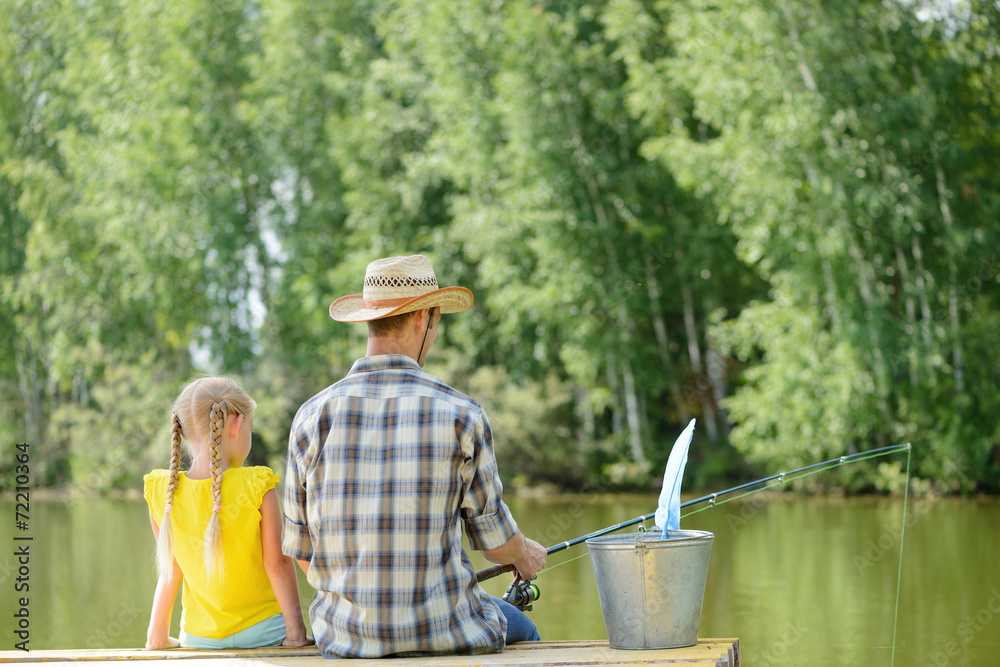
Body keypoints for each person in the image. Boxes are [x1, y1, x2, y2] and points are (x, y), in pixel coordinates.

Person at [282, 254, 546, 658]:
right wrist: (525, 554)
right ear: (423, 318)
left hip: (346, 641)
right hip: (448, 633)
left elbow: (302, 550)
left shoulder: (310, 417)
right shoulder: (462, 414)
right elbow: (496, 546)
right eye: (437, 320)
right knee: (524, 628)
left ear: (370, 320)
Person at [143, 376, 313, 650]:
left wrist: (157, 638)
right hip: (264, 632)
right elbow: (278, 565)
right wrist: (296, 635)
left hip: (199, 638)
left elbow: (170, 572)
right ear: (235, 424)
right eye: (250, 428)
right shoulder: (257, 484)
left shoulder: (164, 492)